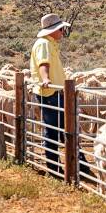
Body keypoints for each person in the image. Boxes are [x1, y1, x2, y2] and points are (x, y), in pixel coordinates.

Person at [30, 13, 91, 176]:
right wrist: (46, 79)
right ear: (53, 30)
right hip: (50, 92)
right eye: (61, 29)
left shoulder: (49, 43)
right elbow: (43, 64)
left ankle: (79, 165)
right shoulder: (44, 44)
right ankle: (56, 168)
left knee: (64, 128)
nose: (63, 32)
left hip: (55, 92)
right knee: (55, 130)